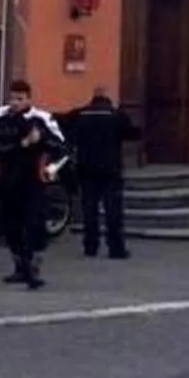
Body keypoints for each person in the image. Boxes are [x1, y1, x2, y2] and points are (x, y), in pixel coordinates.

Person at [0, 80, 66, 289]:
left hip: (33, 179)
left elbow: (59, 146)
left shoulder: (41, 119)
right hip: (7, 178)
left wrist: (41, 141)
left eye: (20, 99)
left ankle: (33, 267)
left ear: (29, 99)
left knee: (35, 223)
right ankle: (19, 266)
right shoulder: (1, 119)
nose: (15, 103)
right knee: (11, 225)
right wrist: (22, 144)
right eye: (12, 98)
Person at [63, 85, 138, 260]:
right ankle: (116, 248)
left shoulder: (79, 115)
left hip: (86, 167)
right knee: (113, 210)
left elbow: (65, 129)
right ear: (107, 98)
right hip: (111, 168)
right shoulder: (117, 116)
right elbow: (131, 134)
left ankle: (90, 246)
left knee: (89, 209)